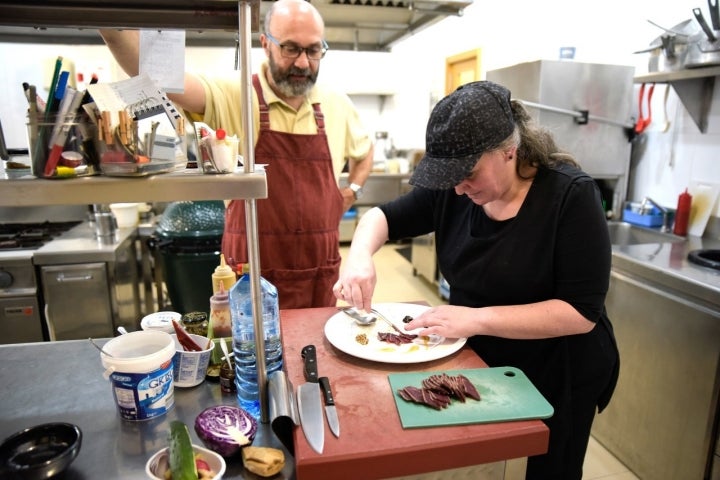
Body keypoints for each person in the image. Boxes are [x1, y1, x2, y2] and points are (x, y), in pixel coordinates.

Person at [334, 81, 619, 479]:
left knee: (543, 469)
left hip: (560, 368)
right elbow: (381, 217)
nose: (457, 187)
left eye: (467, 174)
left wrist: (477, 319)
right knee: (482, 466)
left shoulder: (569, 197)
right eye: (448, 177)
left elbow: (580, 312)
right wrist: (360, 258)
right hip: (483, 360)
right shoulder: (456, 191)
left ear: (509, 150)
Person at [100, 0, 373, 309]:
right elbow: (160, 79)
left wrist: (352, 190)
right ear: (264, 44)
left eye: (313, 51)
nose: (302, 63)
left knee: (315, 347)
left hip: (318, 270)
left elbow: (365, 152)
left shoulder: (337, 102)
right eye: (290, 49)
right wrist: (111, 27)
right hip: (253, 270)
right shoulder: (235, 93)